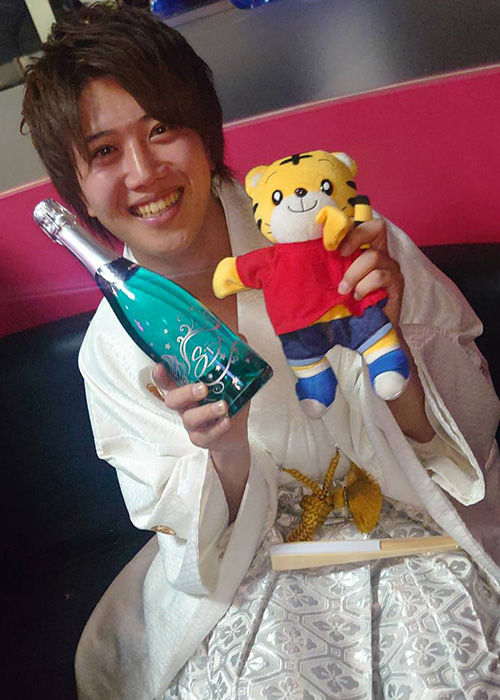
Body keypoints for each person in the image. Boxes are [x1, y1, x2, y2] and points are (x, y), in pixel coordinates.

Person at [21, 5, 500, 699]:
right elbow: (194, 556)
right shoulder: (111, 350)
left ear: (207, 135)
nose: (144, 172)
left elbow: (475, 436)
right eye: (103, 152)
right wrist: (225, 452)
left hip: (418, 534)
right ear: (79, 196)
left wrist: (395, 347)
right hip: (250, 577)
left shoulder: (345, 248)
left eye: (162, 129)